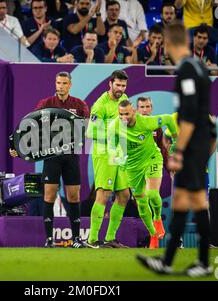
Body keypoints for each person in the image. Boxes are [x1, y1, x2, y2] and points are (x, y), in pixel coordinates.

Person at [137, 21, 214, 277]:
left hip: (192, 145)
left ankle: (201, 261)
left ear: (168, 43)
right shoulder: (199, 67)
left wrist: (179, 152)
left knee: (196, 201)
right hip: (200, 141)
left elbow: (189, 115)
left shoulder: (186, 70)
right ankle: (171, 261)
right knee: (184, 201)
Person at [9, 72, 90, 248]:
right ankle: (49, 239)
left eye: (64, 83)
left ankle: (76, 239)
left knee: (73, 196)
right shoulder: (46, 103)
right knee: (49, 195)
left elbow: (86, 129)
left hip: (71, 157)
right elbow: (30, 125)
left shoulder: (79, 104)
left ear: (70, 85)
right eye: (58, 83)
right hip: (51, 158)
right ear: (55, 83)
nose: (60, 86)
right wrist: (16, 145)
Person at [109, 100, 177, 248]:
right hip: (132, 167)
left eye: (127, 114)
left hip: (151, 159)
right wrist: (117, 158)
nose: (124, 118)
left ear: (133, 111)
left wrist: (176, 140)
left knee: (152, 194)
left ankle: (158, 219)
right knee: (141, 201)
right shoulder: (114, 125)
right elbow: (112, 147)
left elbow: (168, 119)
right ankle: (153, 235)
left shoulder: (146, 122)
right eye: (121, 114)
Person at [86, 70, 132, 248]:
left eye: (123, 85)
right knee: (104, 194)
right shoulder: (100, 105)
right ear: (110, 84)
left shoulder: (124, 98)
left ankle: (110, 238)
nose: (121, 89)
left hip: (119, 152)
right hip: (104, 152)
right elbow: (90, 132)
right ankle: (92, 240)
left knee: (124, 194)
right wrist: (113, 134)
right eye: (118, 85)